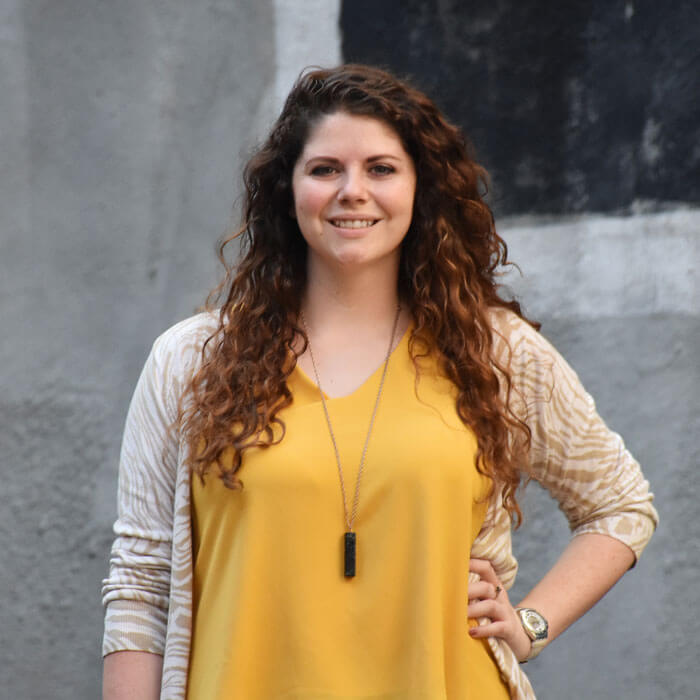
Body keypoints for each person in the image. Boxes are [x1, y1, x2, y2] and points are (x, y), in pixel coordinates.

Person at [102, 64, 658, 700]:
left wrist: (529, 624)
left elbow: (619, 504)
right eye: (325, 169)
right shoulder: (192, 360)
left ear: (421, 188)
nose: (352, 192)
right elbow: (140, 586)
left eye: (381, 169)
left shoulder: (494, 353)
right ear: (288, 189)